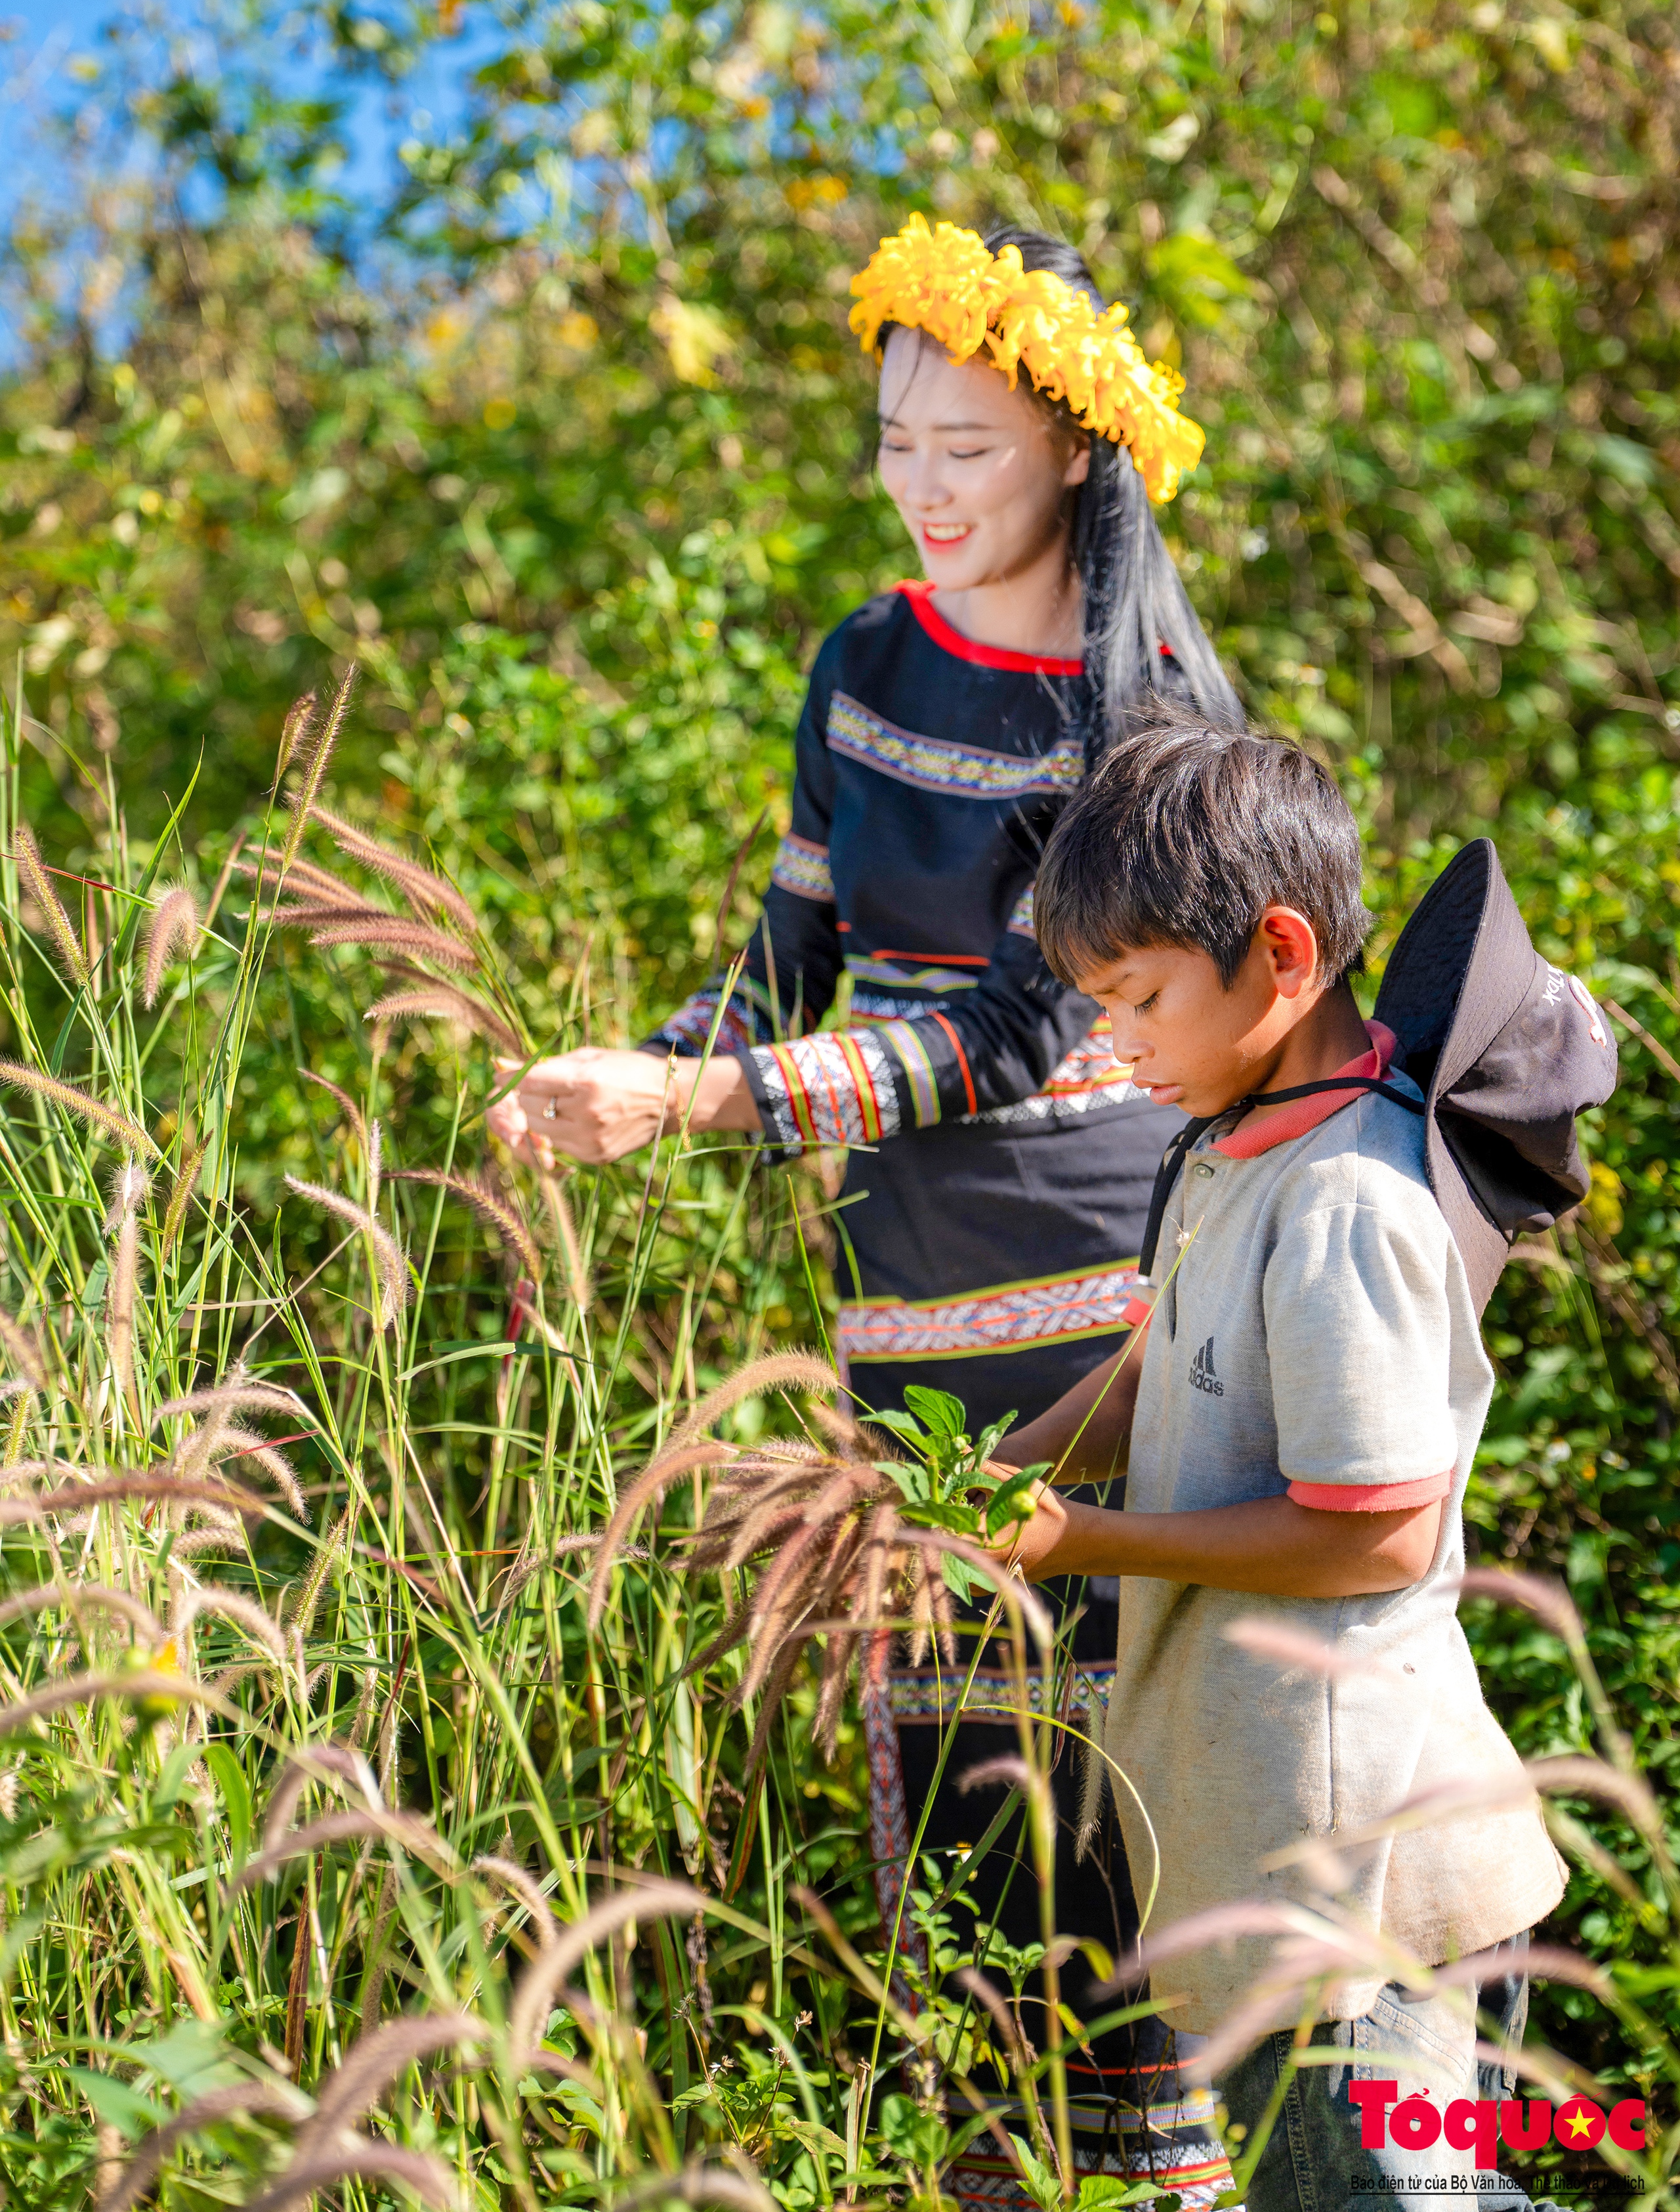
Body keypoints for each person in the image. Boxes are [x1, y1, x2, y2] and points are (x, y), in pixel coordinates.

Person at [488, 215, 1245, 2208]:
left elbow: (1008, 1032)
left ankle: (1171, 2173)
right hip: (897, 1284)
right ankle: (990, 2157)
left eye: (967, 447)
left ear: (1078, 451)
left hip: (1102, 1286)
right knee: (953, 1732)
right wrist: (632, 1071)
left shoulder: (1143, 704)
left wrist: (705, 1101)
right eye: (894, 436)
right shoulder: (860, 663)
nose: (921, 483)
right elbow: (791, 956)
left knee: (1116, 1743)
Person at [998, 715, 1582, 2212]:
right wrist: (975, 1475)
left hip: (1356, 1868)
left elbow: (1374, 1533)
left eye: (1134, 1001)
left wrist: (1074, 1542)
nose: (1109, 1045)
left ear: (1278, 952)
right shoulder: (1230, 1145)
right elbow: (1151, 1370)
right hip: (1261, 1834)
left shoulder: (1346, 1207)